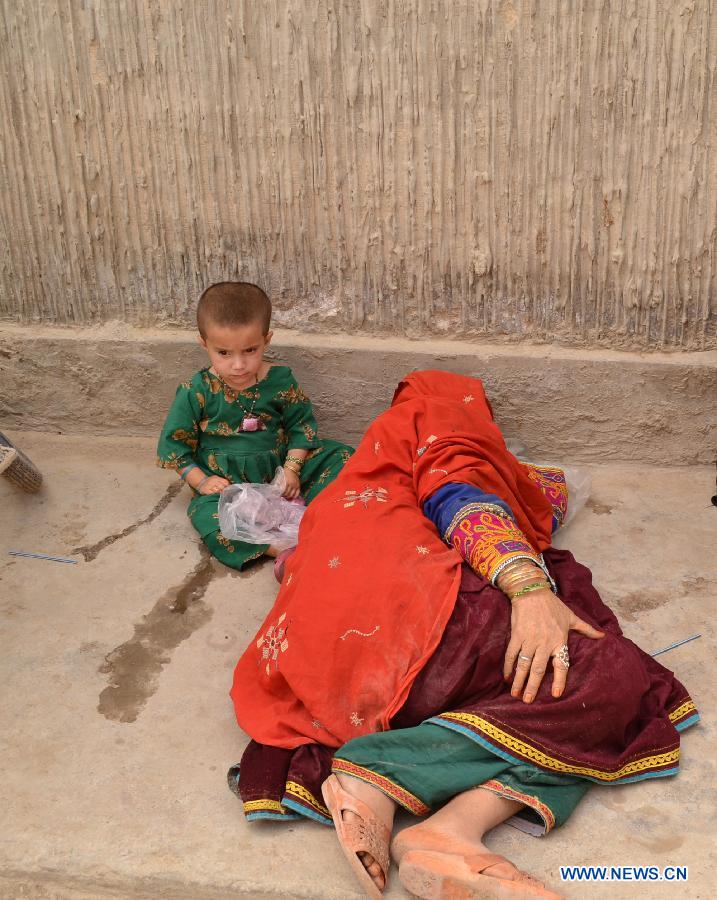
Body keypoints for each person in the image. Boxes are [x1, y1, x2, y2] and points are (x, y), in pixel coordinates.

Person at [228, 370, 698, 899]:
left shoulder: (357, 477)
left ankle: (430, 822)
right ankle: (397, 788)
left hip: (323, 677)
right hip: (413, 650)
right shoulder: (441, 420)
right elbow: (459, 495)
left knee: (565, 686)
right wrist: (529, 590)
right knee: (610, 683)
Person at [156, 282, 353, 571]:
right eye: (223, 353)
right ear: (204, 344)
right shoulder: (195, 391)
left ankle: (320, 518)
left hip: (279, 471)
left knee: (342, 456)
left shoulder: (280, 381)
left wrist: (291, 469)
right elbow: (174, 448)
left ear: (267, 339)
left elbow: (302, 426)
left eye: (250, 350)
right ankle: (280, 549)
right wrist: (201, 481)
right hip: (227, 487)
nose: (238, 365)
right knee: (206, 516)